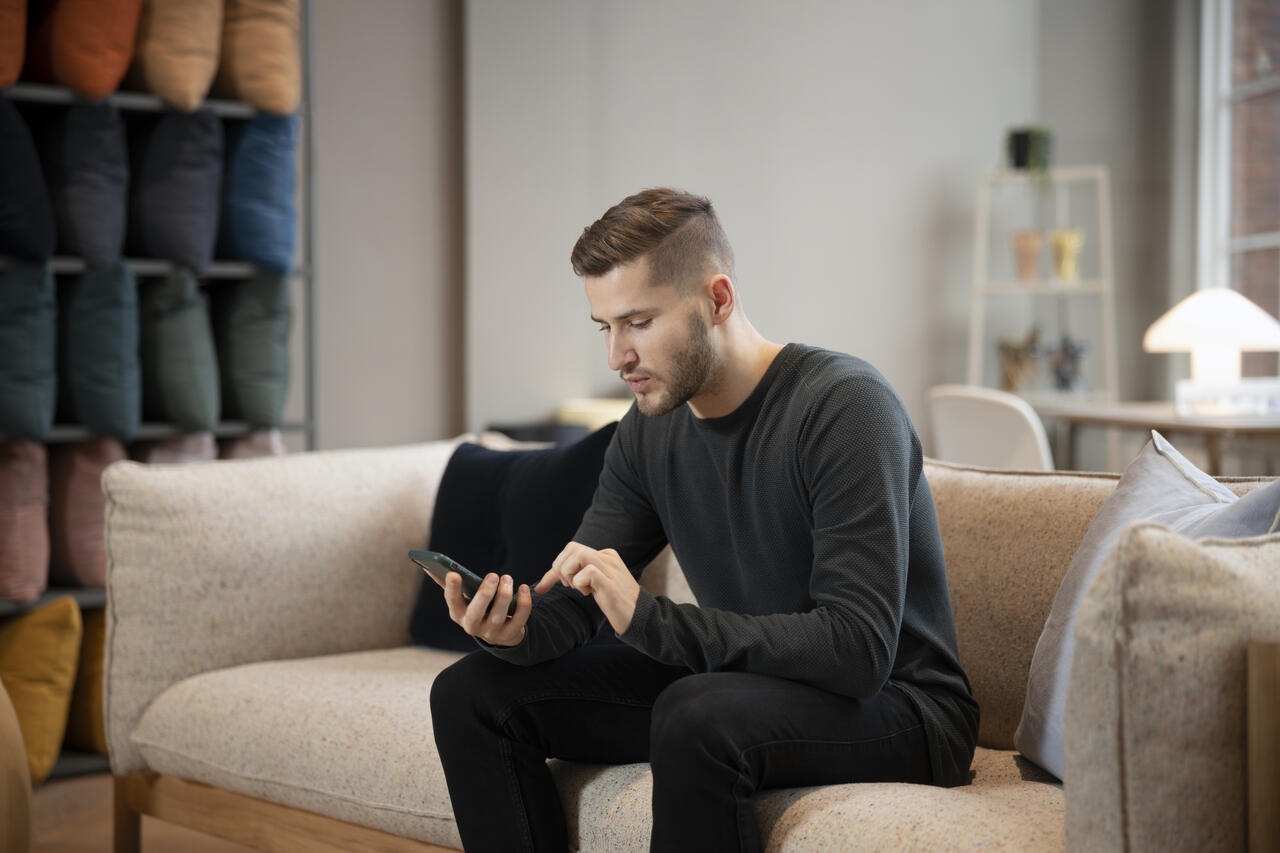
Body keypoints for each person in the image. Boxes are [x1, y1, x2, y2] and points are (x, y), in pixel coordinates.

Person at [429, 188, 979, 852]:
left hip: (904, 706)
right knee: (471, 693)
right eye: (604, 327)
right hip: (749, 685)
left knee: (695, 713)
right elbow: (576, 607)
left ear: (717, 300)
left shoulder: (845, 407)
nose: (616, 356)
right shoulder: (646, 430)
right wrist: (509, 628)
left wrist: (651, 620)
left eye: (637, 321)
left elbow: (858, 650)